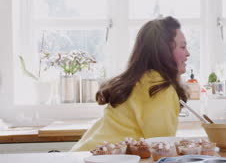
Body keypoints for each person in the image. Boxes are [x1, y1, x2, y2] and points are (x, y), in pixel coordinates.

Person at [71, 16, 190, 151]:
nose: (188, 53)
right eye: (183, 47)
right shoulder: (160, 89)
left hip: (83, 157)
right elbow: (162, 149)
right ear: (164, 51)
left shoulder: (139, 80)